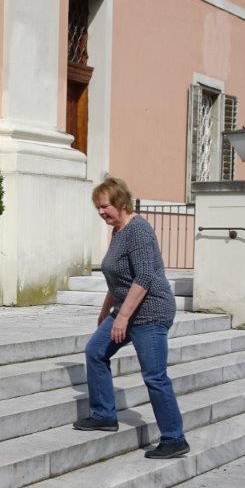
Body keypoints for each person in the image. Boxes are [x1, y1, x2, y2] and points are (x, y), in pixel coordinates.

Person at [74, 177, 190, 459]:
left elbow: (144, 277)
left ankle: (174, 438)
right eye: (98, 207)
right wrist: (106, 312)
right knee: (95, 351)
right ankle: (103, 414)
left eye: (105, 206)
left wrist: (122, 318)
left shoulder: (138, 230)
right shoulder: (118, 231)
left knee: (154, 375)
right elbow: (118, 278)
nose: (101, 212)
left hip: (151, 311)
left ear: (121, 202)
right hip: (126, 308)